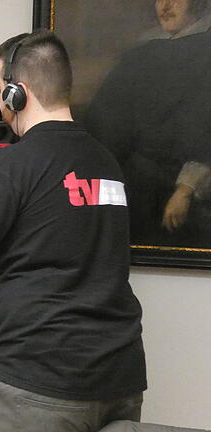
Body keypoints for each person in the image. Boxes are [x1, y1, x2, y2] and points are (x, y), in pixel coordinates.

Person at [0, 30, 147, 432]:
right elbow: (48, 255)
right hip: (117, 376)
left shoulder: (15, 165)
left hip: (33, 385)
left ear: (20, 93)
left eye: (2, 89)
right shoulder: (104, 161)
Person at [86, 0, 211, 248]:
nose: (165, 5)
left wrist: (186, 188)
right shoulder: (139, 54)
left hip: (184, 191)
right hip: (136, 187)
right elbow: (106, 120)